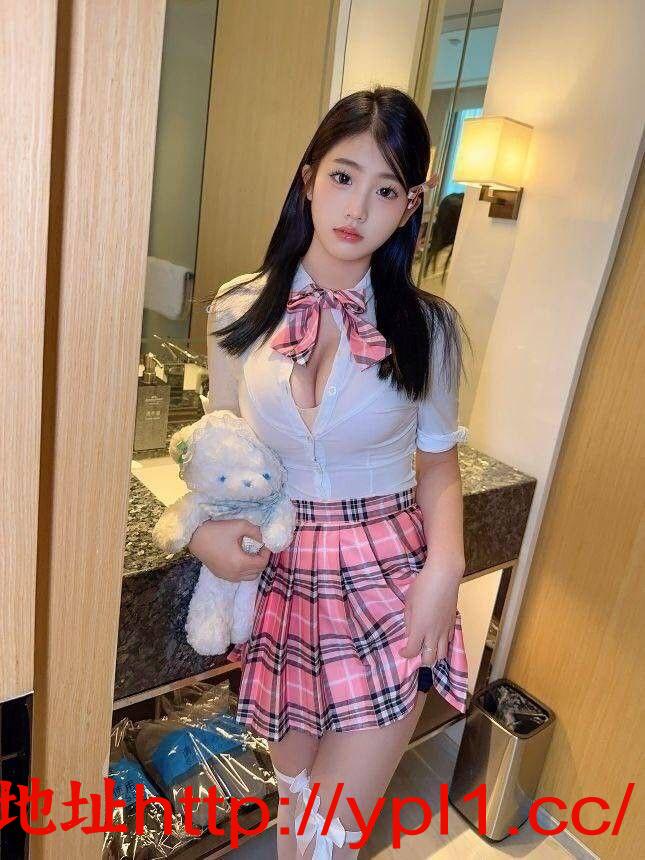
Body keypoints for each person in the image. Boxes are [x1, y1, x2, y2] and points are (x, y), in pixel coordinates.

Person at [188, 86, 471, 859]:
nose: (356, 208)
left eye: (384, 190)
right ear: (309, 176)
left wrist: (443, 571)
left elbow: (438, 464)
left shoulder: (428, 328)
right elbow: (218, 448)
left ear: (409, 206)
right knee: (295, 802)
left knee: (330, 837)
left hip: (385, 577)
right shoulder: (236, 308)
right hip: (282, 576)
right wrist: (205, 532)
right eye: (343, 177)